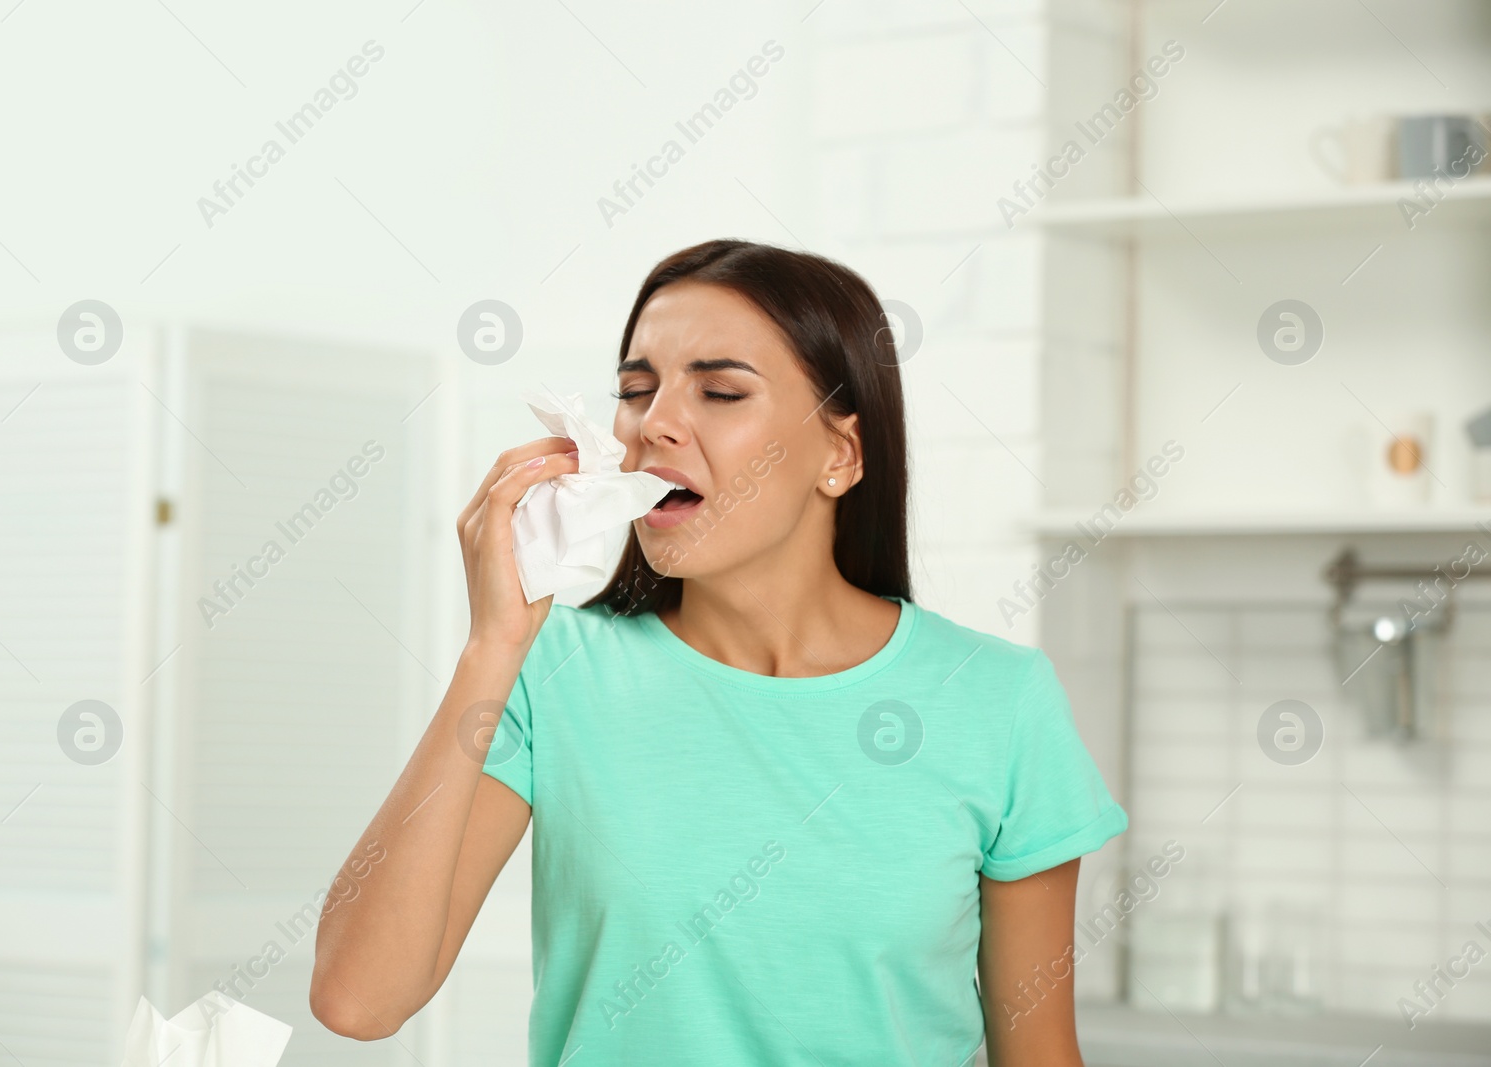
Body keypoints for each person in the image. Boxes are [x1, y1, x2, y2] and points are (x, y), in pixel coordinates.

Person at [310, 238, 1128, 1065]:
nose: (654, 422)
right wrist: (492, 644)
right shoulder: (550, 673)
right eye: (636, 390)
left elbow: (1040, 1053)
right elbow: (357, 999)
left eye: (721, 390)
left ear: (840, 454)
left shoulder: (996, 699)